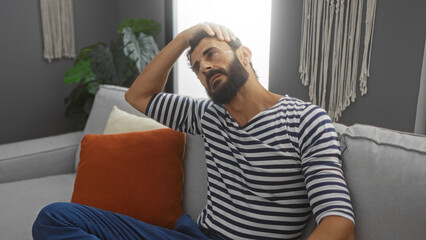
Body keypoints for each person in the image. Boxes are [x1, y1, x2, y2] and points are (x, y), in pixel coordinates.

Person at [33, 23, 355, 240]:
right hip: (194, 235)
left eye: (211, 54)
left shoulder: (306, 120)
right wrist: (185, 38)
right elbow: (138, 96)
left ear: (244, 55)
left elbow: (339, 222)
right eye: (197, 65)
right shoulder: (206, 115)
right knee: (53, 218)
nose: (204, 67)